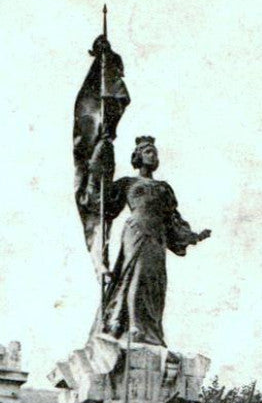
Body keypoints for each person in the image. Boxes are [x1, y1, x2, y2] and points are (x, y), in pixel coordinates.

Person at [86, 136, 211, 346]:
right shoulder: (128, 183)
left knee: (155, 281)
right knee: (136, 276)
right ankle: (132, 325)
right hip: (136, 232)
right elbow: (106, 205)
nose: (153, 156)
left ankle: (151, 331)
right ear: (138, 156)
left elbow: (173, 219)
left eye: (155, 152)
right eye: (148, 152)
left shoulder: (164, 188)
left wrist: (192, 236)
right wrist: (100, 168)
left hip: (157, 236)